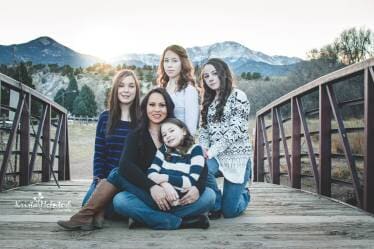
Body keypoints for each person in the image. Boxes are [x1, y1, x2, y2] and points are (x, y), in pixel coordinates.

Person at [57, 88, 214, 231]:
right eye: (152, 105)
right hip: (150, 196)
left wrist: (197, 189)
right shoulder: (136, 135)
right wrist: (154, 187)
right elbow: (125, 166)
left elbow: (200, 163)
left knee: (209, 196)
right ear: (145, 108)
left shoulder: (175, 131)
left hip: (180, 197)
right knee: (121, 200)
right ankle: (180, 221)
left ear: (168, 108)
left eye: (162, 105)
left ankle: (148, 218)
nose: (157, 109)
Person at [81, 69, 140, 226]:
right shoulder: (105, 117)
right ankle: (110, 209)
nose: (126, 90)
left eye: (131, 86)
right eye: (121, 86)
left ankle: (111, 209)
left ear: (136, 90)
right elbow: (99, 153)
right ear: (115, 89)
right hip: (105, 179)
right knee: (86, 204)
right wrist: (98, 180)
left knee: (119, 203)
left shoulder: (142, 120)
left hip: (129, 181)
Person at [199, 58, 252, 219]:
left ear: (223, 74)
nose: (210, 79)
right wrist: (202, 147)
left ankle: (244, 192)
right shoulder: (209, 102)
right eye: (206, 76)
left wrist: (212, 150)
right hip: (217, 156)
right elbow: (204, 130)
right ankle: (216, 205)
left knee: (230, 212)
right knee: (201, 166)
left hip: (237, 158)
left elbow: (234, 131)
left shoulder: (238, 96)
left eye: (214, 73)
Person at [147, 118, 206, 208]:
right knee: (124, 199)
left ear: (184, 131)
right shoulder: (163, 150)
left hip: (181, 197)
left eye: (171, 131)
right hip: (161, 194)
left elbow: (190, 181)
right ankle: (175, 218)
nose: (168, 136)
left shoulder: (195, 149)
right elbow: (151, 172)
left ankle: (157, 217)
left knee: (209, 197)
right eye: (164, 135)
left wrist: (163, 177)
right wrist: (165, 185)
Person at [158, 45, 199, 136]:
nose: (169, 65)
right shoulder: (159, 90)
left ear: (182, 63)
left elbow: (190, 130)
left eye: (174, 61)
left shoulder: (189, 91)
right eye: (166, 61)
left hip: (179, 145)